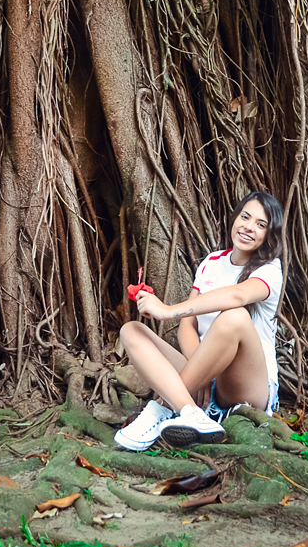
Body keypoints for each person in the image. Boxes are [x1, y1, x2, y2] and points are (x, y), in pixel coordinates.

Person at [114, 191, 284, 450]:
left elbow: (237, 296)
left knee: (234, 316)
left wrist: (167, 310)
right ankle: (191, 411)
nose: (249, 227)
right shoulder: (212, 262)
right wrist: (203, 373)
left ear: (269, 235)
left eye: (261, 224)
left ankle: (160, 409)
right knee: (131, 330)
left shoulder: (270, 269)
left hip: (246, 385)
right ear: (235, 218)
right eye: (245, 217)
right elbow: (188, 325)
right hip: (205, 375)